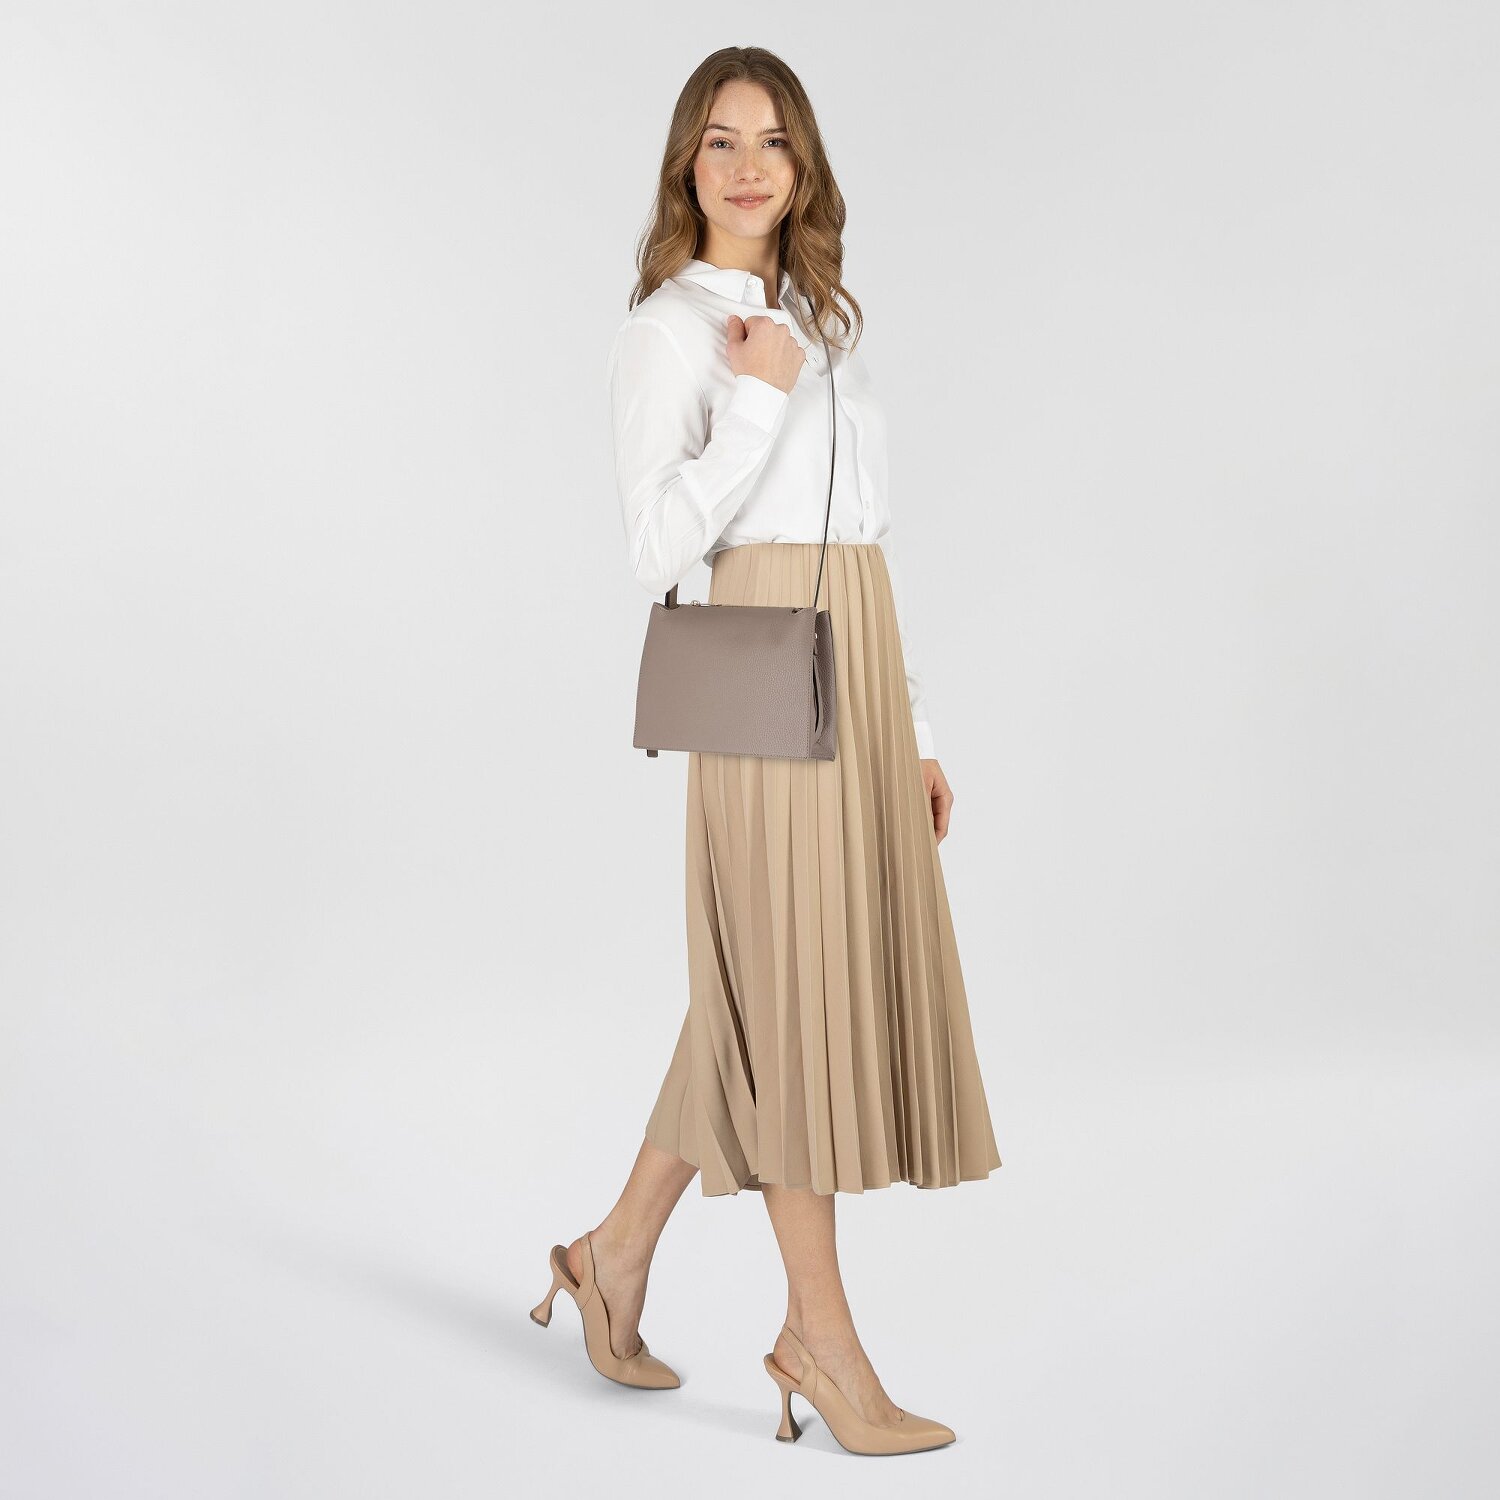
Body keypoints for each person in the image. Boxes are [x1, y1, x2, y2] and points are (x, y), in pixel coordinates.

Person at [531, 46, 1002, 1456]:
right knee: (788, 999)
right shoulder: (672, 331)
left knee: (762, 990)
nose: (748, 166)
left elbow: (864, 538)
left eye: (775, 141)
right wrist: (752, 400)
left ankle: (611, 1256)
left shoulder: (811, 323)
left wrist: (914, 730)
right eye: (722, 140)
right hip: (759, 676)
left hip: (854, 664)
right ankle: (824, 1344)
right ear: (688, 162)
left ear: (805, 170)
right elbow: (654, 549)